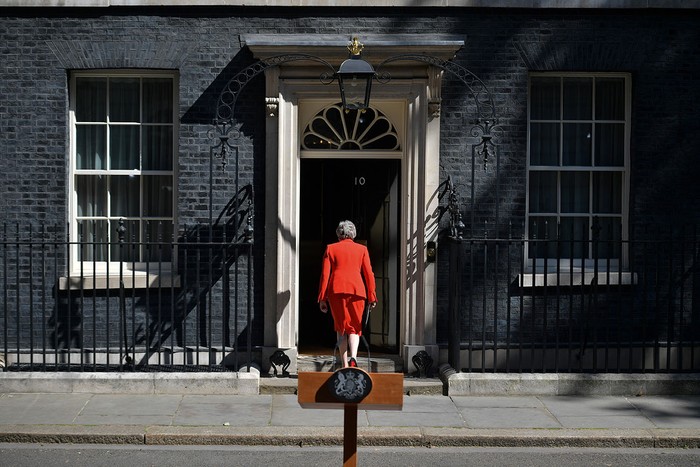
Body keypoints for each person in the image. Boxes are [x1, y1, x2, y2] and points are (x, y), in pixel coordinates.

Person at [317, 220, 377, 368]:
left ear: (339, 234)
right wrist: (372, 296)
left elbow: (325, 275)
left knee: (341, 328)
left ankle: (344, 364)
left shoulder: (331, 248)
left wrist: (322, 298)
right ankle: (354, 357)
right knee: (355, 327)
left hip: (336, 291)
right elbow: (369, 274)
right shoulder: (362, 249)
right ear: (353, 233)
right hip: (357, 291)